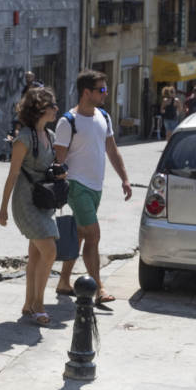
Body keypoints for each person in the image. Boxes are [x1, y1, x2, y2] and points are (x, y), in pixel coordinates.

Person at [52, 68, 133, 306]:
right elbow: (59, 160)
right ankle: (99, 288)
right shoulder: (68, 122)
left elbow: (112, 149)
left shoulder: (103, 117)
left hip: (96, 186)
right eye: (102, 90)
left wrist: (125, 178)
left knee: (79, 235)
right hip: (76, 185)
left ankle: (64, 281)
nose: (105, 94)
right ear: (86, 92)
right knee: (94, 235)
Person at [0, 86, 62, 326]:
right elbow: (12, 175)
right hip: (25, 203)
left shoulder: (50, 136)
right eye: (52, 106)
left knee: (36, 255)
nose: (56, 109)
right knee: (50, 251)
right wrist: (3, 209)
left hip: (43, 201)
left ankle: (28, 304)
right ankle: (38, 304)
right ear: (39, 109)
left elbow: (47, 169)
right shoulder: (23, 139)